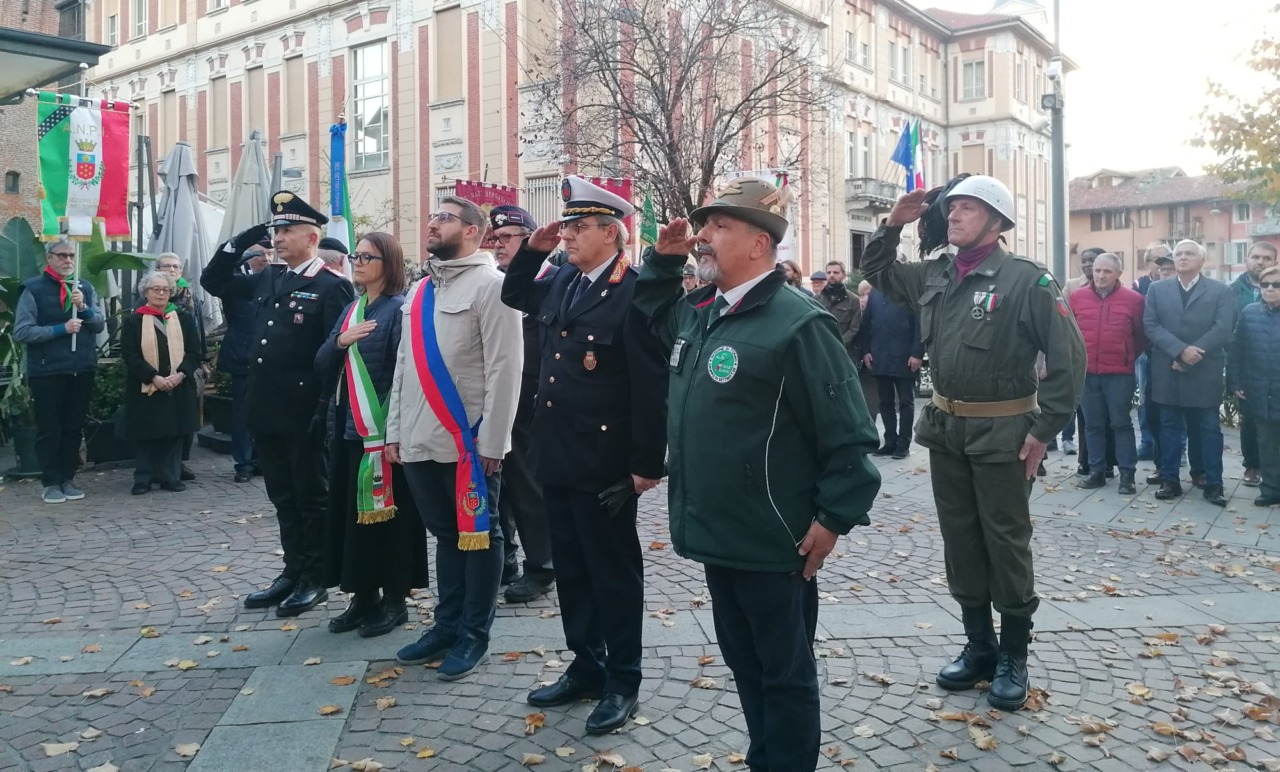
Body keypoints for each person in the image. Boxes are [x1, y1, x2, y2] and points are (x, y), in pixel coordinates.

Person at [633, 177, 881, 772]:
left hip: (775, 538)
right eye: (706, 225)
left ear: (760, 243)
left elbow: (849, 434)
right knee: (745, 661)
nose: (704, 237)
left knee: (784, 670)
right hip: (718, 530)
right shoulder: (704, 313)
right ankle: (764, 756)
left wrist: (833, 518)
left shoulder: (798, 323)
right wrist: (662, 267)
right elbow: (650, 324)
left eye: (720, 226)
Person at [863, 176, 1085, 712]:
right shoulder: (937, 272)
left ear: (998, 221)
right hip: (946, 429)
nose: (954, 215)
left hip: (1005, 433)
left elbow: (1068, 358)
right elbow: (876, 274)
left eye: (968, 208)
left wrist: (1042, 431)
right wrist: (893, 223)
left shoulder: (1026, 280)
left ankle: (1014, 653)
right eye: (952, 208)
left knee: (1005, 541)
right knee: (960, 539)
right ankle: (978, 645)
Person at [502, 176, 668, 735]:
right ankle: (586, 664)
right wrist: (534, 250)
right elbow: (514, 294)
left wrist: (647, 464)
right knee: (572, 570)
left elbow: (649, 385)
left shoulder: (634, 289)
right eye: (567, 225)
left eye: (578, 227)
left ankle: (623, 678)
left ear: (611, 232)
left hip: (605, 461)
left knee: (612, 574)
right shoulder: (563, 279)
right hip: (557, 452)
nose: (568, 234)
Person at [201, 191, 356, 616]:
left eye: (287, 231)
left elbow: (337, 356)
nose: (279, 238)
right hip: (266, 407)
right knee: (282, 496)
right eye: (276, 231)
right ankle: (292, 569)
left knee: (311, 496)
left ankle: (316, 576)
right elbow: (213, 282)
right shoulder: (271, 277)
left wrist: (324, 410)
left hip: (305, 410)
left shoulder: (331, 286)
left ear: (311, 237)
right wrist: (242, 239)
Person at [387, 196, 523, 679]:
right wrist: (395, 432)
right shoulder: (421, 291)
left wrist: (494, 443)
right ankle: (446, 624)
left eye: (443, 218)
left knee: (481, 538)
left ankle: (473, 634)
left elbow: (507, 369)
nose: (431, 223)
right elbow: (405, 367)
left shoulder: (493, 286)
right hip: (421, 440)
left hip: (469, 446)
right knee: (447, 536)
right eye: (431, 216)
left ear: (471, 231)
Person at [315, 232, 429, 638]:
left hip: (385, 436)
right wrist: (341, 341)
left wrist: (395, 432)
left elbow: (405, 378)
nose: (357, 262)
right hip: (349, 430)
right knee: (352, 517)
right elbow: (322, 361)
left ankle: (395, 601)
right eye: (355, 255)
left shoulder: (400, 311)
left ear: (388, 263)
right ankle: (362, 597)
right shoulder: (351, 310)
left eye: (367, 256)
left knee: (392, 521)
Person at [489, 204, 558, 603]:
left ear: (532, 239)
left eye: (508, 237)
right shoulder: (496, 282)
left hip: (532, 399)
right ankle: (508, 557)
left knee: (529, 486)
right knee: (501, 486)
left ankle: (542, 565)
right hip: (499, 396)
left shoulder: (551, 280)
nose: (499, 245)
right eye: (495, 238)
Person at [1144, 239, 1235, 507]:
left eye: (1189, 254)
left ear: (1202, 260)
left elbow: (1223, 328)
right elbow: (1151, 325)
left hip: (1204, 368)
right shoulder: (1158, 290)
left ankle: (1213, 483)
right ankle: (1170, 480)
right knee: (1169, 426)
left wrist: (1194, 353)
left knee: (1208, 428)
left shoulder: (1220, 291)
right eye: (1179, 254)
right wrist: (1180, 351)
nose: (1182, 258)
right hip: (1168, 369)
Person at [13, 239, 105, 504]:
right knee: (49, 428)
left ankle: (68, 477)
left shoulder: (83, 287)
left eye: (71, 256)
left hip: (81, 368)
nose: (68, 260)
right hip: (48, 370)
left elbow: (98, 325)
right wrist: (60, 329)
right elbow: (22, 330)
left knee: (73, 427)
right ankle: (51, 481)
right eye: (62, 255)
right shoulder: (33, 289)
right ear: (49, 258)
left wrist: (85, 308)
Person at [1067, 253, 1145, 494]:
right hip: (1087, 372)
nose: (1100, 275)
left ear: (1118, 274)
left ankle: (1127, 474)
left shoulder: (1134, 300)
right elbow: (1068, 333)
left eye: (1107, 272)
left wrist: (1126, 355)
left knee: (1120, 423)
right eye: (1097, 271)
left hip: (1119, 373)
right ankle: (1096, 471)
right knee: (1092, 424)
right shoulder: (1077, 298)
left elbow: (1142, 336)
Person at [118, 271, 202, 494]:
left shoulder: (183, 318)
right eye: (155, 289)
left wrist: (181, 374)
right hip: (146, 387)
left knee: (174, 434)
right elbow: (129, 355)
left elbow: (195, 351)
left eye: (165, 289)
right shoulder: (133, 321)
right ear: (145, 292)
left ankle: (170, 477)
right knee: (146, 434)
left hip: (179, 386)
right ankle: (143, 478)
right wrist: (153, 377)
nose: (161, 293)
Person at [216, 239, 271, 482]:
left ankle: (260, 458)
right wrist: (243, 252)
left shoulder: (274, 280)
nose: (266, 259)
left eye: (269, 255)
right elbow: (217, 275)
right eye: (261, 255)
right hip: (242, 356)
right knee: (241, 413)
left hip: (269, 358)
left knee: (265, 411)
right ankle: (244, 463)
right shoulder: (235, 281)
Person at [1229, 265, 1280, 507]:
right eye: (1265, 284)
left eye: (1276, 284)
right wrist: (1235, 381)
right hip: (1261, 391)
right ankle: (1270, 490)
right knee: (1267, 444)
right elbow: (1237, 350)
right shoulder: (1249, 313)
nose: (1270, 288)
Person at [154, 252, 207, 482]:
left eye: (176, 266)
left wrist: (202, 359)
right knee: (162, 416)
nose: (172, 270)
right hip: (160, 365)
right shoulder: (151, 293)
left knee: (188, 413)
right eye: (167, 266)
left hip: (189, 362)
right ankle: (159, 465)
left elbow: (198, 328)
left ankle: (180, 462)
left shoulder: (189, 294)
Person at [859, 285, 924, 458]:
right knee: (885, 402)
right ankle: (889, 442)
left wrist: (917, 353)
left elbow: (920, 324)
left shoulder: (910, 291)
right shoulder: (875, 293)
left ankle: (903, 444)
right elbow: (866, 325)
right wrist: (866, 351)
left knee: (905, 402)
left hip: (905, 358)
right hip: (880, 356)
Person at [1135, 244, 1173, 460]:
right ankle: (1147, 443)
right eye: (1157, 260)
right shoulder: (1140, 284)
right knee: (1145, 401)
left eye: (1167, 261)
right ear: (1148, 263)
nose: (1162, 266)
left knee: (1174, 405)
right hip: (1146, 352)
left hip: (1173, 352)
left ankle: (1177, 450)